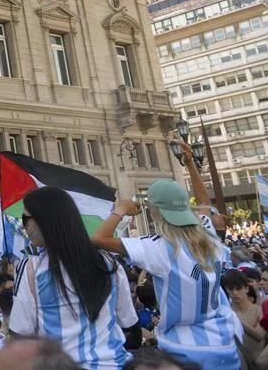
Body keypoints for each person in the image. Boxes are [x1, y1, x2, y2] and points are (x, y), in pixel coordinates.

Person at [92, 140, 239, 370]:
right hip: (223, 344)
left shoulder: (159, 247)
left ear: (155, 211)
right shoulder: (206, 232)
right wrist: (190, 165)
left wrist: (121, 210)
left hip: (182, 350)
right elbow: (203, 202)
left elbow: (98, 239)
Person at [11, 186, 138, 369]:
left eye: (25, 219)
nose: (24, 226)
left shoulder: (31, 269)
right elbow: (129, 324)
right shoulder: (108, 263)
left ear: (44, 221)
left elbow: (20, 335)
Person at [222, 269, 266, 361]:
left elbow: (259, 335)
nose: (235, 293)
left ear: (246, 288)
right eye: (231, 289)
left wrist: (236, 319)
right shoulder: (225, 314)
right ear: (226, 289)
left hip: (259, 364)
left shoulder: (259, 310)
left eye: (238, 288)